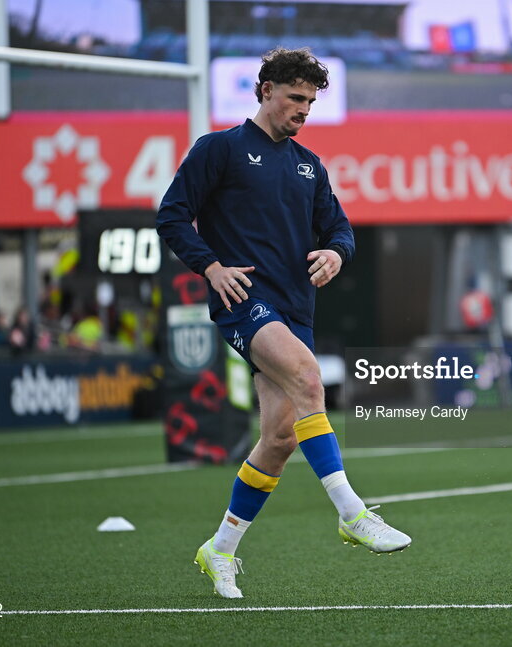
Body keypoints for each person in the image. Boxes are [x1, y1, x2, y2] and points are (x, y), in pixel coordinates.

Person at [156, 47, 410, 600]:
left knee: (277, 438)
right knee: (310, 379)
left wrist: (336, 254)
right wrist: (211, 266)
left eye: (311, 101)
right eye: (296, 97)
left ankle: (219, 548)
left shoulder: (308, 165)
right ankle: (352, 513)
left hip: (296, 308)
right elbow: (171, 214)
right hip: (245, 298)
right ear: (265, 90)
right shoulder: (219, 149)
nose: (304, 109)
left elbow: (340, 230)